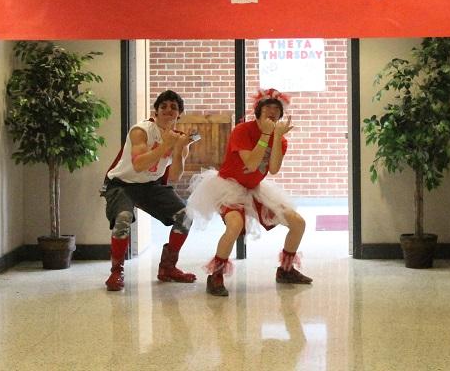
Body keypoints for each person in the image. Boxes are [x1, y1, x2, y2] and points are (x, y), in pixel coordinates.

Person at [187, 87, 313, 297]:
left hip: (254, 189)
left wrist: (277, 139)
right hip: (228, 186)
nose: (272, 112)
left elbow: (272, 169)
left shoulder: (280, 138)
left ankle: (286, 270)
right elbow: (253, 164)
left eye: (276, 109)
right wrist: (265, 135)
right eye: (268, 109)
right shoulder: (242, 131)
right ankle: (216, 275)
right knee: (235, 224)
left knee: (298, 223)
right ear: (258, 113)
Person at [101, 89, 197, 291]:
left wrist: (178, 149)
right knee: (124, 218)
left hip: (150, 186)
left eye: (173, 107)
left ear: (179, 114)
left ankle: (168, 268)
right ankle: (116, 272)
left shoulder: (179, 138)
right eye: (163, 106)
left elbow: (174, 176)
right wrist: (165, 146)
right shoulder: (141, 131)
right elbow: (138, 165)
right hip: (122, 183)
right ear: (156, 111)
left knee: (186, 215)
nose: (168, 111)